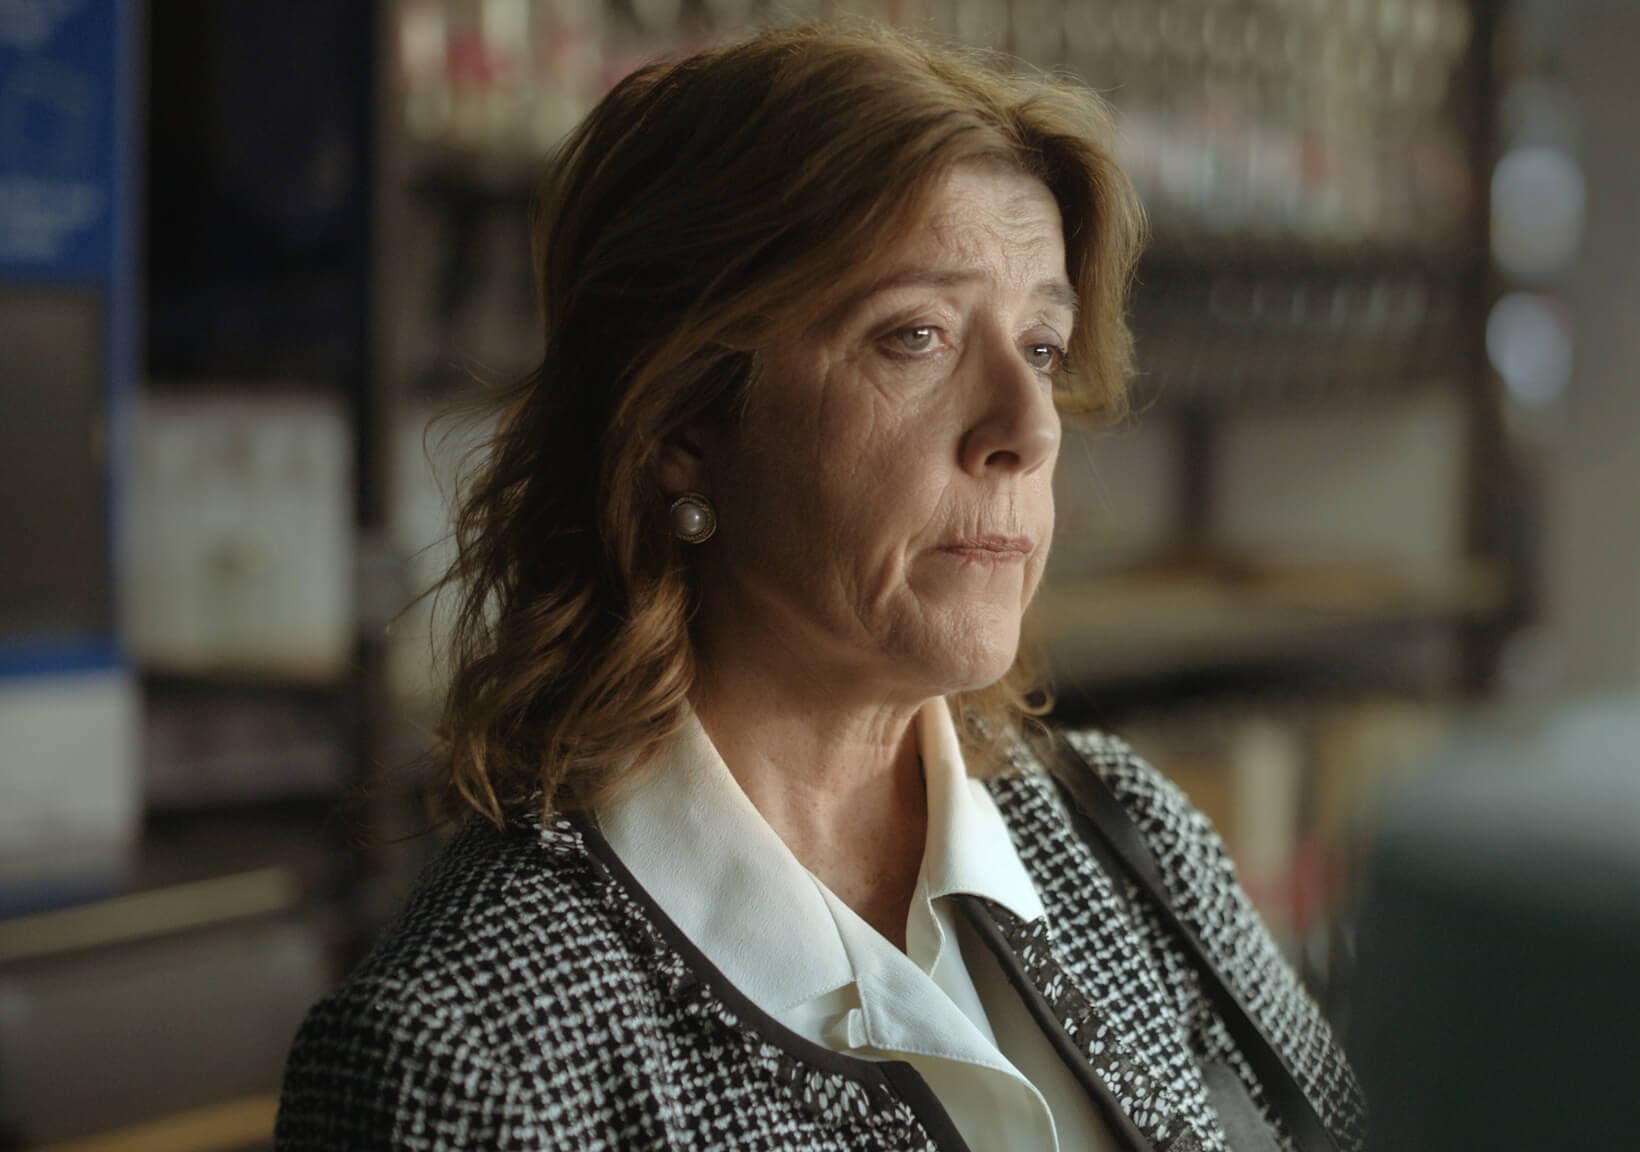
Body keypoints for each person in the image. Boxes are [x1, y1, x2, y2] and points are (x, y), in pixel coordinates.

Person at [276, 23, 1363, 1151]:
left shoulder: (1128, 838)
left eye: (1040, 346)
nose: (1026, 429)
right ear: (681, 423)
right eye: (916, 337)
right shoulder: (469, 1051)